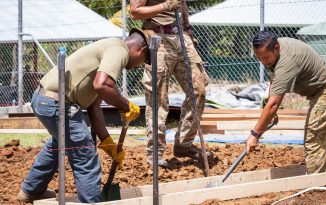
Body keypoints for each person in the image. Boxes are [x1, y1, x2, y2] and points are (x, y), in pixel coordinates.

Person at [17, 28, 149, 203]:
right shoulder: (119, 50)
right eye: (144, 62)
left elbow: (94, 106)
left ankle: (32, 190)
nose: (138, 66)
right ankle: (90, 202)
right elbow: (102, 85)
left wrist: (107, 141)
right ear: (142, 51)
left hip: (43, 99)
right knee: (85, 154)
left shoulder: (108, 49)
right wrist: (126, 105)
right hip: (57, 103)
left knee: (58, 145)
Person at [246, 31, 326, 174]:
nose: (263, 62)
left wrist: (255, 134)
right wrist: (271, 109)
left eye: (265, 57)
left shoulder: (287, 61)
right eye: (259, 58)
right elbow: (274, 78)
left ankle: (315, 185)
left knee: (315, 136)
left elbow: (273, 104)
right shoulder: (276, 49)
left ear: (276, 47)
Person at [130, 0, 210, 167]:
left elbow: (182, 5)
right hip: (157, 38)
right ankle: (155, 153)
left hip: (181, 37)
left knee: (199, 90)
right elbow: (135, 12)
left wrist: (188, 31)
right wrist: (166, 6)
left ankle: (183, 144)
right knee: (158, 98)